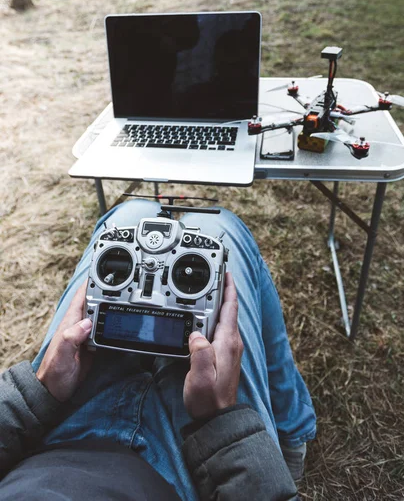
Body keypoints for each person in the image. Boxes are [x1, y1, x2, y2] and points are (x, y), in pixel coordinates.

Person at [0, 200, 316, 500]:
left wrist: (37, 392)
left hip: (54, 436)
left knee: (130, 214)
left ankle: (293, 431)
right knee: (219, 225)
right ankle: (292, 435)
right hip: (188, 468)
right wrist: (222, 421)